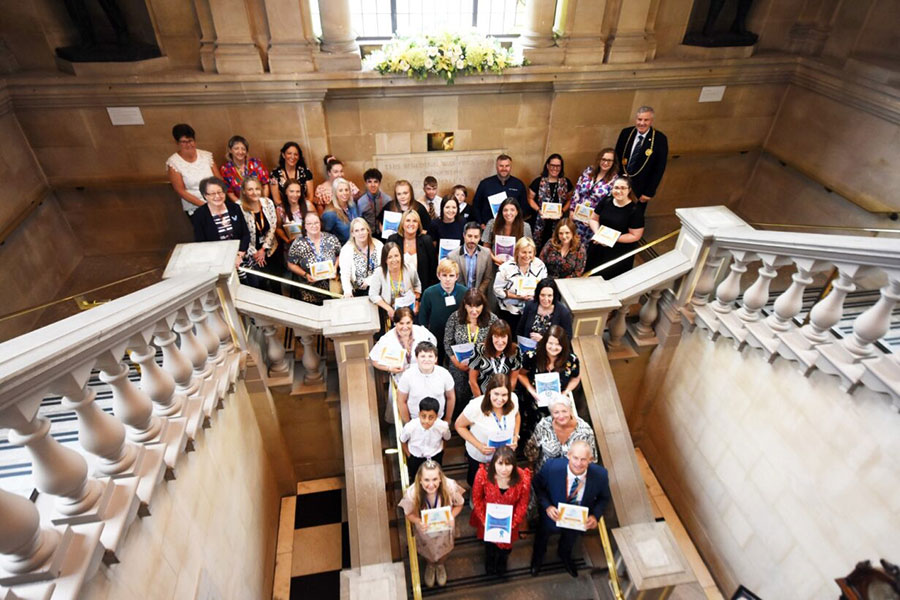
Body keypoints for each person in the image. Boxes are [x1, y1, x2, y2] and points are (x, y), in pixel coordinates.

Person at [530, 440, 611, 578]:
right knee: (541, 539)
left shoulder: (601, 475)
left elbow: (604, 498)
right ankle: (537, 559)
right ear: (568, 455)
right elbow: (537, 485)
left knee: (569, 541)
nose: (578, 463)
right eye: (575, 458)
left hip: (578, 520)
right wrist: (547, 506)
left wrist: (595, 516)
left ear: (590, 460)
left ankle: (564, 555)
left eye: (583, 459)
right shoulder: (552, 467)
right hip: (551, 517)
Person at [398, 460, 465, 588]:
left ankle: (440, 565)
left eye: (435, 479)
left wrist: (452, 515)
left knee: (445, 550)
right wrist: (418, 521)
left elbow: (460, 504)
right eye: (427, 480)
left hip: (445, 529)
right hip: (424, 531)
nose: (431, 484)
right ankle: (430, 565)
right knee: (426, 550)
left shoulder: (450, 486)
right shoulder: (412, 493)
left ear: (440, 479)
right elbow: (408, 514)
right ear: (420, 480)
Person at [470, 446, 531, 576]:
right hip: (488, 518)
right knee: (489, 546)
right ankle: (490, 561)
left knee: (506, 548)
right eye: (500, 463)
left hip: (510, 520)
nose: (504, 469)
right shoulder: (483, 474)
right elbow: (477, 499)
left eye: (508, 464)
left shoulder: (523, 478)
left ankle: (503, 561)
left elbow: (523, 504)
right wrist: (485, 520)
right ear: (494, 463)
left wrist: (512, 523)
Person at [454, 373, 521, 487]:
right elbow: (459, 426)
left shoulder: (513, 399)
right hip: (480, 457)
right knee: (476, 483)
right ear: (489, 391)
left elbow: (517, 415)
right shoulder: (475, 406)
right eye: (496, 394)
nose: (500, 399)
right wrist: (479, 445)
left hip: (504, 457)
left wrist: (516, 436)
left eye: (504, 395)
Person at [443, 289, 498, 412]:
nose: (474, 311)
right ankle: (459, 418)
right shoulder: (455, 317)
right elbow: (447, 342)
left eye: (478, 306)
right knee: (459, 392)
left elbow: (497, 343)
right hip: (459, 364)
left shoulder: (492, 319)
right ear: (464, 305)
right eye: (470, 306)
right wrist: (456, 363)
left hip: (483, 364)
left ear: (483, 305)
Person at [519, 325, 581, 433]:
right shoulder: (532, 356)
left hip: (558, 408)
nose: (553, 347)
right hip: (533, 403)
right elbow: (521, 374)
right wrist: (531, 390)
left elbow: (576, 378)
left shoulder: (571, 359)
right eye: (550, 343)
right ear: (545, 342)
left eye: (558, 344)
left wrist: (566, 392)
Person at [586, 177, 645, 279]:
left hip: (618, 252)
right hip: (598, 247)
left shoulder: (635, 211)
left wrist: (610, 239)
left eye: (623, 188)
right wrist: (598, 234)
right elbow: (594, 219)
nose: (619, 191)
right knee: (590, 275)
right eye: (616, 188)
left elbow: (635, 235)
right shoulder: (606, 201)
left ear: (629, 190)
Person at [525, 393, 598, 476]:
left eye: (564, 411)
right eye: (556, 412)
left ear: (570, 410)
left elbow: (592, 459)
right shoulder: (544, 425)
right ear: (551, 413)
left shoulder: (585, 431)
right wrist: (530, 470)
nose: (561, 416)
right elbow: (531, 450)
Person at [614, 106, 668, 212]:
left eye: (646, 120)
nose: (642, 123)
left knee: (633, 216)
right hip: (620, 184)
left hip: (640, 188)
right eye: (639, 119)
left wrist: (649, 192)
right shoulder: (626, 133)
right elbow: (617, 157)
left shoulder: (659, 139)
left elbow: (659, 169)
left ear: (651, 121)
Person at [493, 237, 547, 334]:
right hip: (509, 311)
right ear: (517, 251)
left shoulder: (540, 266)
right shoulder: (505, 268)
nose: (527, 256)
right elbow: (497, 290)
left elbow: (544, 287)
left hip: (532, 311)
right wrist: (518, 296)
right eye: (524, 252)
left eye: (530, 252)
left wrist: (535, 296)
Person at [191, 176, 249, 267]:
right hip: (216, 260)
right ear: (205, 195)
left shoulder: (235, 208)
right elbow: (201, 243)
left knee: (252, 279)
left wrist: (239, 254)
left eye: (220, 192)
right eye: (212, 193)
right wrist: (226, 259)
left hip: (240, 256)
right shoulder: (199, 215)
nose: (217, 196)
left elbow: (245, 234)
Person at [286, 211, 341, 304]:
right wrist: (305, 275)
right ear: (305, 226)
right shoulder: (298, 243)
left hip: (332, 290)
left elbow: (340, 254)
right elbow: (290, 264)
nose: (313, 226)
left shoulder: (331, 238)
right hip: (309, 292)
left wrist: (335, 268)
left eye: (316, 223)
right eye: (309, 223)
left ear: (320, 223)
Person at [419, 259, 467, 364]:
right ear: (438, 275)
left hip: (457, 339)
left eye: (451, 275)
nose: (448, 279)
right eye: (444, 275)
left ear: (457, 277)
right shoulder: (429, 293)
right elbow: (423, 319)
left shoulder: (464, 292)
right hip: (436, 337)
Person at [369, 307, 436, 382]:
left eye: (408, 323)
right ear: (395, 323)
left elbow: (434, 351)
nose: (405, 327)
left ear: (412, 321)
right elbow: (374, 360)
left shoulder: (422, 333)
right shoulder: (387, 339)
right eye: (401, 323)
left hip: (423, 378)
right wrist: (389, 368)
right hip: (400, 381)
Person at [397, 341, 456, 425]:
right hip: (415, 421)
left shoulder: (444, 374)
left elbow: (451, 397)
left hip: (438, 420)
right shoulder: (407, 375)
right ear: (417, 358)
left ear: (435, 359)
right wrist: (408, 423)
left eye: (430, 356)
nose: (426, 360)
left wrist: (447, 419)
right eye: (423, 356)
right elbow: (401, 400)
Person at [568, 148, 619, 243]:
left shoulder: (615, 180)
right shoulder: (588, 171)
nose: (605, 163)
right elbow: (577, 190)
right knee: (570, 241)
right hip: (577, 215)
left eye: (609, 160)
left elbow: (609, 204)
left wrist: (595, 220)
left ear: (614, 162)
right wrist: (571, 210)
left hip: (593, 220)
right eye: (603, 159)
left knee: (583, 247)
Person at [166, 123, 217, 218]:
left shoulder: (206, 156)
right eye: (184, 142)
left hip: (217, 200)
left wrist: (218, 200)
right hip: (196, 206)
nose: (188, 144)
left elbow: (218, 179)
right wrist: (205, 206)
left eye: (190, 140)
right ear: (177, 143)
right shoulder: (173, 163)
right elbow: (180, 190)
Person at [238, 177, 280, 293]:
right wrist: (256, 252)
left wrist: (264, 248)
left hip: (270, 246)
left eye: (257, 189)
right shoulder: (239, 208)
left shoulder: (267, 202)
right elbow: (242, 233)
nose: (254, 192)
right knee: (261, 282)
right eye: (250, 189)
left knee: (276, 277)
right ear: (244, 191)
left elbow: (273, 225)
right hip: (252, 251)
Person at [400, 397, 452, 481]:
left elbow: (446, 438)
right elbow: (402, 441)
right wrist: (409, 456)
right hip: (416, 458)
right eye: (423, 416)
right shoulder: (410, 427)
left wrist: (442, 450)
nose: (426, 421)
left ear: (436, 416)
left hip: (435, 456)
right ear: (419, 414)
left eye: (431, 417)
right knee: (416, 478)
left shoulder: (442, 426)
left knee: (436, 478)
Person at [529, 154, 574, 251]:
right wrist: (538, 210)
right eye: (553, 165)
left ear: (561, 167)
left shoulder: (566, 182)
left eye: (558, 166)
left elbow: (570, 199)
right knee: (538, 247)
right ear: (547, 166)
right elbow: (530, 199)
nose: (555, 168)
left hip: (558, 222)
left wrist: (562, 211)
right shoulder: (538, 182)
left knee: (555, 247)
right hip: (539, 221)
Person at [368, 242, 422, 320]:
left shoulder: (410, 268)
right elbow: (373, 295)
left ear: (401, 256)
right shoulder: (379, 272)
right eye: (389, 257)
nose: (394, 260)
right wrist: (388, 309)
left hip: (408, 310)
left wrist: (416, 302)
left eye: (396, 256)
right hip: (389, 313)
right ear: (385, 259)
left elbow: (417, 285)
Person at [468, 319, 522, 396]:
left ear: (508, 337)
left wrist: (506, 398)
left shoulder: (515, 351)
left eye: (503, 337)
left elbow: (513, 379)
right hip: (482, 395)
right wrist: (480, 401)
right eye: (496, 336)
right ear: (491, 337)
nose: (500, 342)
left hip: (503, 395)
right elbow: (472, 381)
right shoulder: (479, 350)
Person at [387, 210, 438, 289]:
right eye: (408, 221)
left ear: (418, 225)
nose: (411, 224)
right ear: (402, 223)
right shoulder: (393, 240)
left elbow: (433, 269)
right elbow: (386, 265)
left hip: (421, 289)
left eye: (414, 221)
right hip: (397, 289)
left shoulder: (426, 241)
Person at [472, 154, 528, 226]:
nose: (504, 168)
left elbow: (524, 207)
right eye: (501, 166)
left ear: (511, 167)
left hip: (512, 226)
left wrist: (516, 223)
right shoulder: (485, 184)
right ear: (496, 167)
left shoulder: (519, 184)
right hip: (488, 226)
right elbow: (476, 205)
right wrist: (481, 223)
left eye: (507, 166)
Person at [448, 222, 494, 303]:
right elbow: (453, 280)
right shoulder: (452, 256)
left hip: (479, 297)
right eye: (469, 236)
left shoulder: (486, 253)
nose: (472, 240)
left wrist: (477, 293)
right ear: (464, 235)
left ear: (480, 237)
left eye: (476, 237)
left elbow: (488, 278)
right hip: (459, 297)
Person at [517, 278, 574, 343]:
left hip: (550, 350)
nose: (546, 299)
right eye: (542, 295)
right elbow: (520, 329)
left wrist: (544, 340)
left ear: (554, 296)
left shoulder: (563, 312)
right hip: (528, 347)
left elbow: (567, 338)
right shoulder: (530, 305)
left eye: (549, 295)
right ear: (538, 294)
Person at [339, 217, 383, 298]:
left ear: (368, 230)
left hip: (379, 289)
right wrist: (348, 291)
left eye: (363, 229)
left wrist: (369, 281)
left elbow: (384, 269)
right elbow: (345, 274)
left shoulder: (379, 245)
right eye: (357, 231)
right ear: (352, 233)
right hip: (358, 293)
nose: (360, 233)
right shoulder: (346, 249)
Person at [482, 198, 533, 267]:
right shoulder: (492, 224)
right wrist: (495, 259)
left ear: (517, 212)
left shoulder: (525, 227)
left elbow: (529, 249)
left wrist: (515, 261)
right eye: (505, 210)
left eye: (512, 210)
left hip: (517, 264)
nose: (508, 213)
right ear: (501, 212)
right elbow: (486, 247)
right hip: (494, 263)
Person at [219, 135, 270, 203]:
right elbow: (229, 192)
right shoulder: (225, 169)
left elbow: (265, 184)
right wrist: (241, 205)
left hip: (261, 201)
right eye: (236, 148)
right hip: (241, 204)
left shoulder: (256, 163)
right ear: (230, 150)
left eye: (243, 149)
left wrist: (263, 202)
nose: (240, 152)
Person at [270, 142, 314, 209]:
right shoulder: (275, 174)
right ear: (283, 155)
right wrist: (291, 210)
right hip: (284, 209)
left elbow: (310, 197)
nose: (292, 157)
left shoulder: (306, 172)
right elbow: (277, 200)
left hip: (303, 208)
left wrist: (299, 209)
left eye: (296, 154)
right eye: (289, 153)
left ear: (299, 157)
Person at [275, 179, 315, 249]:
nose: (295, 195)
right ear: (286, 192)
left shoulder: (308, 205)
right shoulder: (280, 209)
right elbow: (278, 228)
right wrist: (287, 240)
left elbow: (317, 223)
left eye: (298, 192)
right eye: (291, 191)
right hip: (291, 245)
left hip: (310, 243)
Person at [321, 177, 360, 245]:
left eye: (346, 190)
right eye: (340, 190)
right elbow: (325, 237)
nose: (344, 193)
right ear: (335, 193)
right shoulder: (330, 214)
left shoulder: (352, 205)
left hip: (358, 243)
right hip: (342, 248)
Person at [357, 167, 391, 232]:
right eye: (369, 182)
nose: (373, 185)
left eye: (376, 182)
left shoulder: (387, 199)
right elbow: (360, 221)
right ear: (366, 183)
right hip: (368, 234)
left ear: (379, 183)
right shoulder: (361, 202)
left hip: (384, 233)